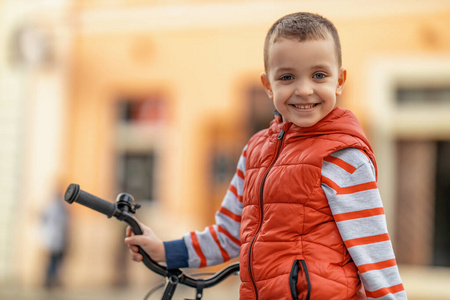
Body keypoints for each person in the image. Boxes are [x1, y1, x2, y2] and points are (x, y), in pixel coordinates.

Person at [124, 12, 407, 299]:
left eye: (319, 75)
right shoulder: (254, 152)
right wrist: (165, 251)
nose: (305, 89)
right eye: (287, 77)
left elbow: (374, 253)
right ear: (268, 86)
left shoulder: (344, 157)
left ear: (340, 80)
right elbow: (229, 234)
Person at [41, 190, 69, 290]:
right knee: (52, 260)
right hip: (53, 238)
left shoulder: (61, 208)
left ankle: (52, 279)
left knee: (55, 261)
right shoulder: (54, 207)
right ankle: (49, 280)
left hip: (57, 239)